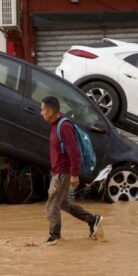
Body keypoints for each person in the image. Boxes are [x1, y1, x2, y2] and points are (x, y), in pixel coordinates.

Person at [40, 95, 102, 244]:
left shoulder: (65, 126)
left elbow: (74, 153)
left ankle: (55, 236)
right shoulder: (55, 125)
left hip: (63, 173)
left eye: (42, 110)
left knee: (52, 204)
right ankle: (92, 220)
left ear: (49, 111)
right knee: (61, 203)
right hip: (58, 172)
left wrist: (74, 174)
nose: (41, 113)